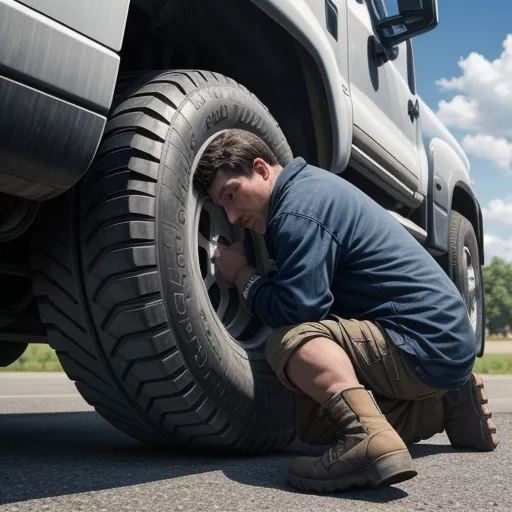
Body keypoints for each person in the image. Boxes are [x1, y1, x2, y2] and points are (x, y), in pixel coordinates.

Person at [194, 129, 498, 493]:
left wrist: (242, 274)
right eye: (221, 206)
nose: (229, 215)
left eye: (231, 195)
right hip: (441, 343)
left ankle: (364, 438)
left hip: (423, 340)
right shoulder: (311, 189)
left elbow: (299, 307)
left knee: (290, 340)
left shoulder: (297, 208)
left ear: (261, 169)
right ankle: (448, 404)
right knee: (315, 424)